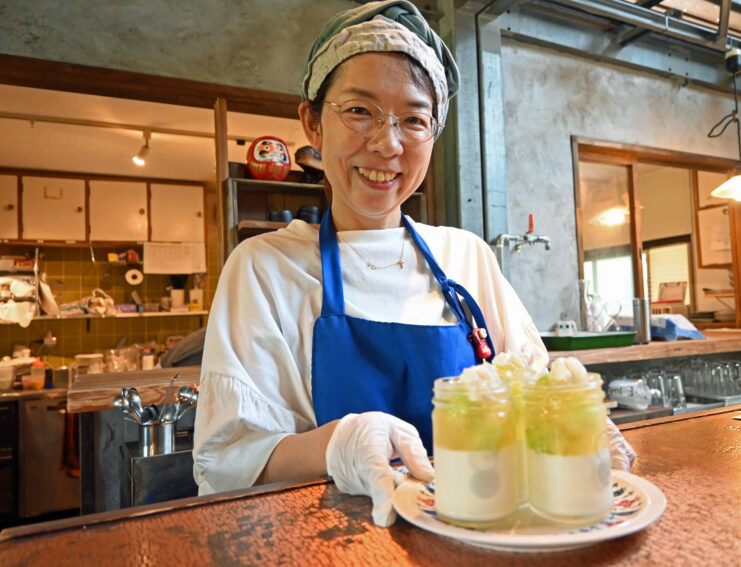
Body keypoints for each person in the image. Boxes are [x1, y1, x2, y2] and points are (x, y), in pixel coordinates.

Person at [193, 0, 635, 527]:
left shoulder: (465, 256)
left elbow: (530, 386)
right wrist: (338, 444)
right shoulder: (265, 268)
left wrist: (569, 416)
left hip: (477, 534)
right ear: (312, 123)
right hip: (330, 546)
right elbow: (227, 464)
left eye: (413, 119)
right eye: (360, 111)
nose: (387, 143)